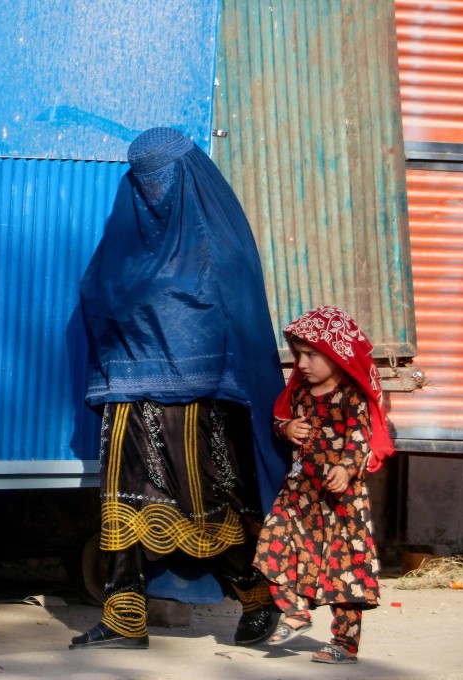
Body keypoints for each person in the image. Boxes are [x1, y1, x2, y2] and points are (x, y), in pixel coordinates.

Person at [72, 126, 289, 650]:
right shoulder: (124, 241)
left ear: (185, 177)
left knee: (205, 504)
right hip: (127, 391)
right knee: (123, 502)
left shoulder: (214, 243)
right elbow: (98, 294)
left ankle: (255, 592)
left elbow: (226, 320)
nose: (151, 189)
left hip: (199, 398)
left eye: (160, 177)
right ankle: (125, 617)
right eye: (141, 178)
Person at [254, 305, 394, 664]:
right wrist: (285, 429)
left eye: (312, 355)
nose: (301, 363)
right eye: (299, 354)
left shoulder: (351, 397)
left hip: (341, 500)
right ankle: (295, 610)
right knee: (271, 541)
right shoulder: (300, 395)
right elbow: (279, 422)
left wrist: (347, 469)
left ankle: (344, 644)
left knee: (343, 570)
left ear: (337, 355)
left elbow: (361, 439)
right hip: (299, 493)